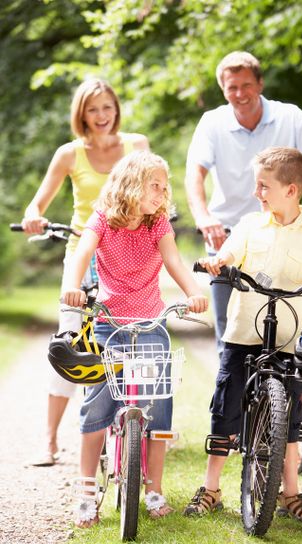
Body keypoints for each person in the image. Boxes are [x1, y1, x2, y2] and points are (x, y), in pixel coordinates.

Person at [184, 147, 302, 524]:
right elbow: (227, 253)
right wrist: (218, 261)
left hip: (291, 338)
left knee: (290, 417)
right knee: (225, 408)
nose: (256, 193)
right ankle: (211, 487)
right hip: (244, 332)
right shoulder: (249, 225)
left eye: (263, 186)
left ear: (291, 191)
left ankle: (290, 493)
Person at [62, 149, 208, 527]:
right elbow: (81, 255)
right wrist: (71, 288)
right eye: (154, 186)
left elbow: (174, 262)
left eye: (164, 187)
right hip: (110, 321)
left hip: (149, 324)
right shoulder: (102, 220)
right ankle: (86, 490)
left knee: (157, 401)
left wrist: (193, 292)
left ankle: (154, 487)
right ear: (130, 184)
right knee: (96, 403)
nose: (162, 194)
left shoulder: (157, 224)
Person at [185, 50, 302, 358]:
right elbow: (194, 175)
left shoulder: (289, 116)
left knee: (298, 321)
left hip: (285, 232)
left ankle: (298, 387)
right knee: (231, 334)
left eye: (246, 85)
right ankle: (232, 402)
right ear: (223, 90)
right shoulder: (212, 123)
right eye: (232, 88)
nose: (240, 94)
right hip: (229, 237)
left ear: (260, 84)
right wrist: (203, 217)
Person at [21, 79, 149, 466]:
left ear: (117, 108)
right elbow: (37, 203)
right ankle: (49, 439)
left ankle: (137, 426)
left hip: (127, 253)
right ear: (81, 113)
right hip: (82, 253)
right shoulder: (69, 154)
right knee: (69, 342)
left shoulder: (136, 146)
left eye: (107, 107)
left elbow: (155, 187)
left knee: (134, 335)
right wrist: (33, 217)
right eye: (93, 109)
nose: (101, 116)